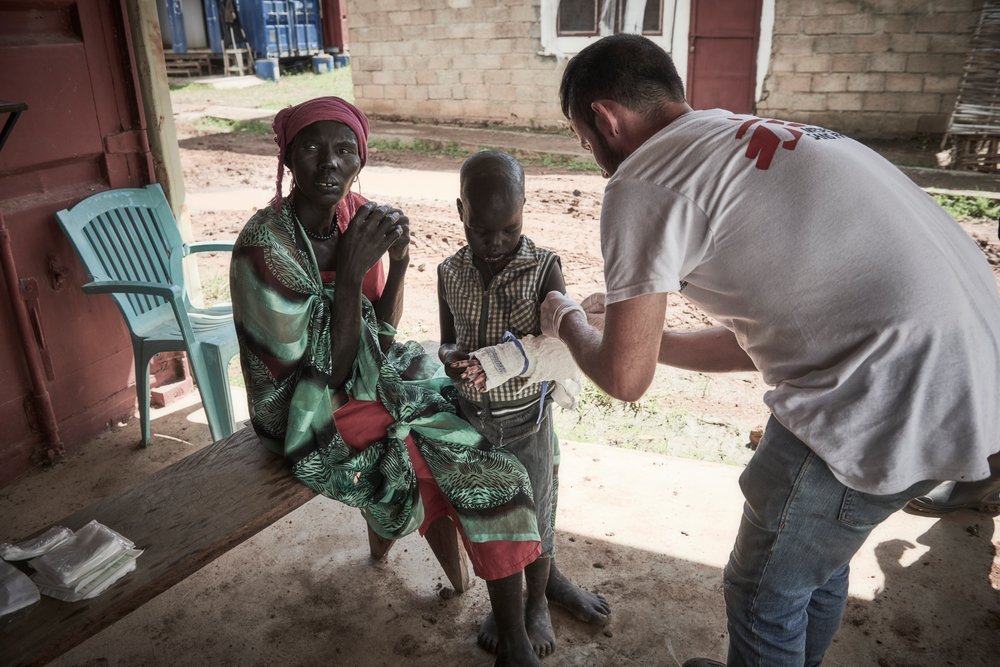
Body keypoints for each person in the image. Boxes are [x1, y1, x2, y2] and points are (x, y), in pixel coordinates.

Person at [542, 34, 1000, 667]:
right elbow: (773, 339)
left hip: (888, 395)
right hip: (972, 379)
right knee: (814, 558)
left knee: (765, 591)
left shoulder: (643, 176)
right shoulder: (756, 134)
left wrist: (564, 317)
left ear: (603, 118)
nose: (594, 156)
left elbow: (624, 378)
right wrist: (650, 340)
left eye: (583, 141)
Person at [229, 97, 545, 667]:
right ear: (288, 157)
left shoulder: (358, 215)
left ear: (361, 157)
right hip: (302, 406)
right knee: (444, 457)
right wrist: (349, 273)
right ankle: (513, 626)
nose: (330, 163)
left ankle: (518, 629)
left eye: (344, 149)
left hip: (366, 372)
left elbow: (386, 328)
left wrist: (396, 261)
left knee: (477, 440)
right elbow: (325, 372)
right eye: (312, 148)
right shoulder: (264, 248)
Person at [436, 151, 611, 659]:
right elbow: (447, 339)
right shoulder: (450, 272)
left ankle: (538, 601)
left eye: (509, 230)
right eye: (481, 230)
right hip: (474, 422)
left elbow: (559, 348)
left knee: (535, 521)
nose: (495, 244)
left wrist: (504, 361)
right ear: (460, 212)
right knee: (495, 525)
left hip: (527, 422)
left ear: (524, 211)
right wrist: (452, 358)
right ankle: (513, 605)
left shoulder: (543, 268)